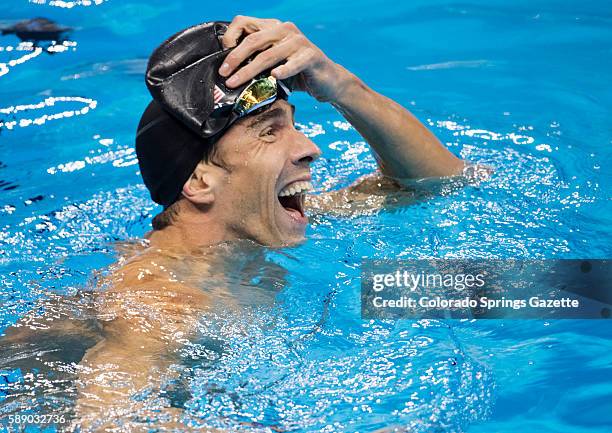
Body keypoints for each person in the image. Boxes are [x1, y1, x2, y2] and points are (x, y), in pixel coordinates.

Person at [1, 16, 487, 431]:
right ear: (200, 182)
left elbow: (437, 183)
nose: (310, 148)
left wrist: (338, 84)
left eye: (294, 124)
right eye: (269, 132)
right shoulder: (159, 301)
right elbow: (104, 421)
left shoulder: (250, 229)